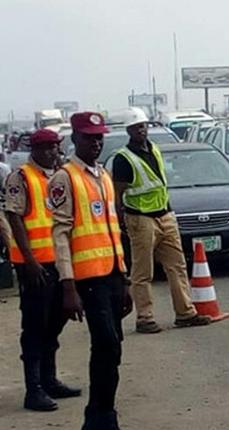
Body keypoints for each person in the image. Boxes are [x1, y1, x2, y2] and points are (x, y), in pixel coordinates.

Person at [49, 112, 132, 428]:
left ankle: (102, 413)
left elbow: (113, 230)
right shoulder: (65, 178)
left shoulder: (103, 175)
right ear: (75, 139)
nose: (96, 142)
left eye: (99, 137)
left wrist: (124, 279)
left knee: (113, 350)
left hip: (111, 275)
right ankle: (99, 417)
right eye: (89, 137)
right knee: (106, 346)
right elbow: (60, 234)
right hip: (87, 280)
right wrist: (68, 286)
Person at [111, 107, 211, 332]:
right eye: (137, 127)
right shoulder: (123, 159)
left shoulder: (154, 149)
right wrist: (121, 222)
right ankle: (145, 318)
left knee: (177, 266)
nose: (141, 130)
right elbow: (118, 194)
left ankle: (185, 312)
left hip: (164, 214)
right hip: (141, 218)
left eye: (143, 126)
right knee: (142, 271)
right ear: (129, 130)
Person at [5, 129, 81, 412]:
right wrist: (30, 261)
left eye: (55, 147)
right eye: (45, 148)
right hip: (34, 265)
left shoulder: (60, 176)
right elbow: (14, 218)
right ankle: (33, 389)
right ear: (33, 150)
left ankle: (49, 380)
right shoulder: (21, 177)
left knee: (56, 321)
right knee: (35, 325)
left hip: (60, 263)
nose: (51, 152)